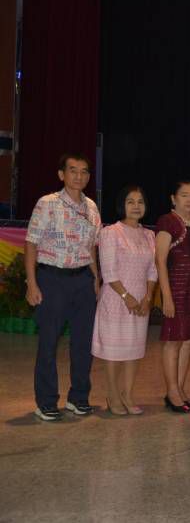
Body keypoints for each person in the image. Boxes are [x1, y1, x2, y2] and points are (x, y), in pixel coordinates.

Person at [25, 153, 102, 421]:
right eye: (73, 170)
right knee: (48, 343)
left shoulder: (92, 207)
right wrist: (32, 283)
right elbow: (31, 243)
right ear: (62, 174)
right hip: (52, 279)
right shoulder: (47, 203)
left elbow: (92, 247)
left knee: (83, 343)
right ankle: (46, 401)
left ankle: (78, 397)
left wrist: (96, 278)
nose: (79, 176)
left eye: (84, 171)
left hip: (83, 281)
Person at [91, 185, 157, 416]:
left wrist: (148, 297)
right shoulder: (111, 232)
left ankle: (127, 395)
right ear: (122, 205)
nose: (136, 206)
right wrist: (127, 297)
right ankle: (112, 395)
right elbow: (109, 272)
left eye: (140, 202)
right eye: (130, 202)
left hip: (140, 303)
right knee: (114, 352)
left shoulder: (149, 235)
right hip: (116, 300)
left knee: (134, 350)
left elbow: (153, 271)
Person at [155, 181, 190, 413]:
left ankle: (180, 388)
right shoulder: (167, 221)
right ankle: (172, 392)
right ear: (173, 198)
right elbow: (160, 261)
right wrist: (166, 297)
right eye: (184, 195)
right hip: (176, 289)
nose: (189, 199)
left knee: (188, 340)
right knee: (173, 341)